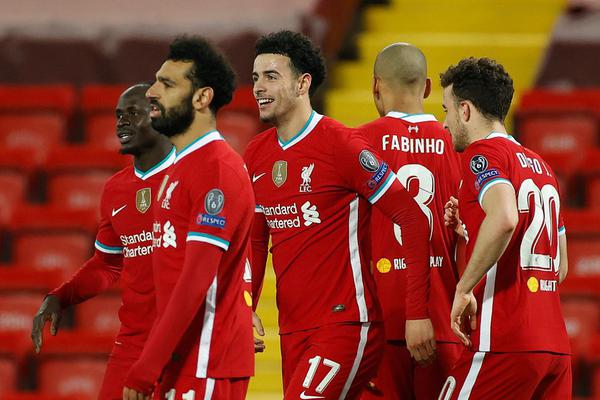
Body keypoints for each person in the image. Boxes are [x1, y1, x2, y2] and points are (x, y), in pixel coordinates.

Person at [244, 30, 429, 400]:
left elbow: (412, 217)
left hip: (347, 323)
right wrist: (245, 304)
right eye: (255, 77)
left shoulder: (341, 143)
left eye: (271, 76)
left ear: (303, 83)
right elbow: (255, 240)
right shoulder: (255, 154)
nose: (258, 87)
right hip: (293, 329)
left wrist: (416, 312)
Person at [121, 36, 254, 400]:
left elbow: (196, 281)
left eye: (166, 84)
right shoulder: (181, 167)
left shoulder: (217, 169)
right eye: (155, 82)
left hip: (208, 360)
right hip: (182, 359)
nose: (151, 93)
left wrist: (147, 366)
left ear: (201, 98)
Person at [31, 83, 176, 400]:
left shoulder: (191, 175)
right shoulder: (115, 189)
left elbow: (228, 251)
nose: (121, 122)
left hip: (184, 338)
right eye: (118, 115)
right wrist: (61, 296)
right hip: (134, 340)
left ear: (158, 115)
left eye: (133, 113)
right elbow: (108, 264)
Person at [439, 57, 571, 400]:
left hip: (503, 341)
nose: (445, 123)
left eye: (447, 110)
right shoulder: (542, 167)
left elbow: (505, 217)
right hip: (555, 348)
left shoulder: (482, 155)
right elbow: (560, 267)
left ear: (465, 110)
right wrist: (471, 229)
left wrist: (464, 288)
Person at [358, 43, 463, 400]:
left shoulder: (357, 142)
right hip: (445, 320)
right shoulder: (458, 143)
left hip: (378, 323)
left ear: (375, 85)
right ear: (428, 87)